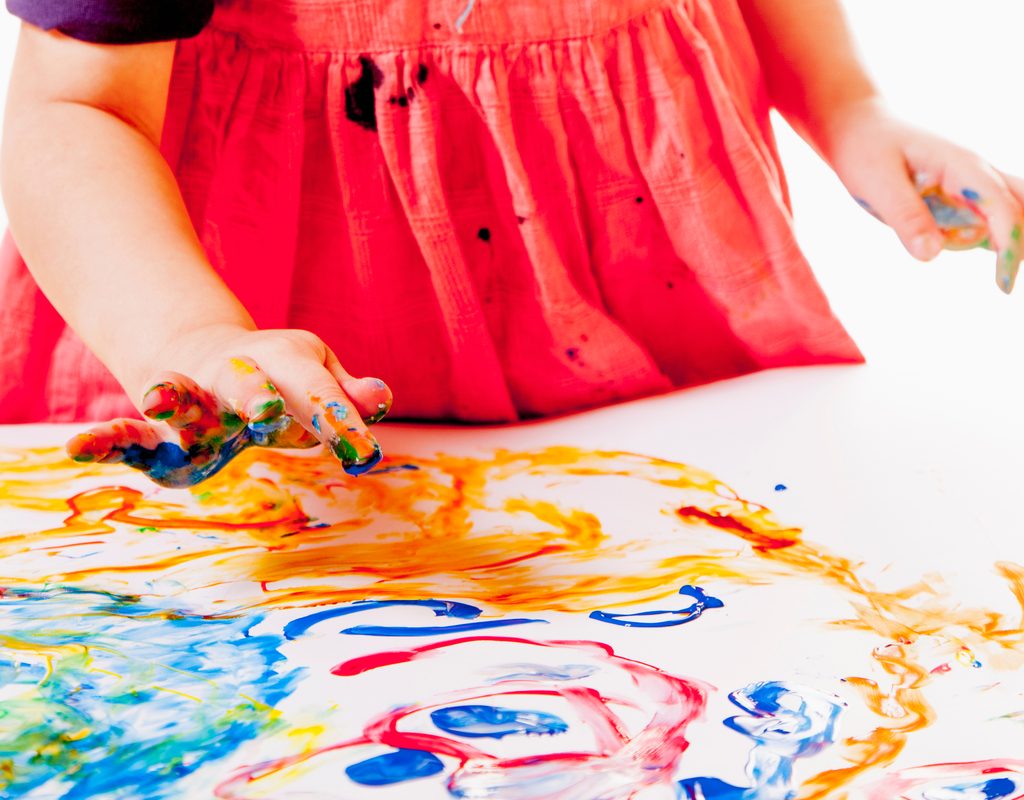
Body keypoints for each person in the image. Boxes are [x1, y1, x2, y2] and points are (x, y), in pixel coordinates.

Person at [1, 0, 1021, 486]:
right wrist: (188, 336)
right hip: (258, 355)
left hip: (639, 308)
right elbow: (77, 108)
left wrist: (848, 108)